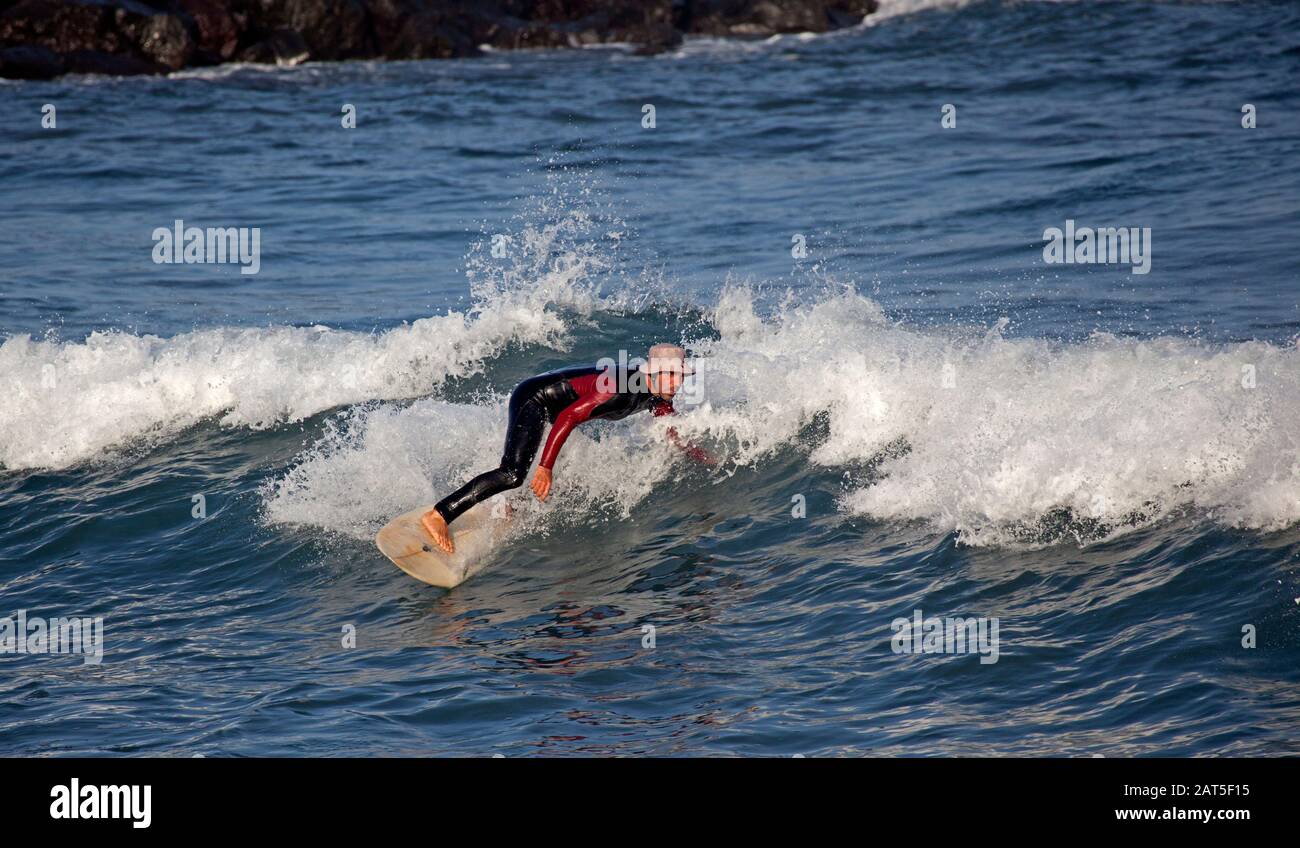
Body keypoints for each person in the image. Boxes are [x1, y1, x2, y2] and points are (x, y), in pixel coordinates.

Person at [421, 343, 711, 553]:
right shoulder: (621, 387)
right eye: (671, 375)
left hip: (556, 403)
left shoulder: (657, 394)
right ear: (655, 372)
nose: (676, 383)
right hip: (535, 399)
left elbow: (669, 427)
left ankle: (511, 507)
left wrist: (698, 455)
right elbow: (568, 416)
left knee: (563, 473)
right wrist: (545, 467)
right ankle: (439, 514)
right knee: (513, 473)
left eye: (680, 376)